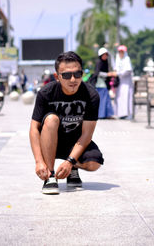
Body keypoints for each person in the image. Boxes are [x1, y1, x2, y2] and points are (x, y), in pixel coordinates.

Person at [29, 51, 104, 195]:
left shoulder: (91, 95)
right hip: (51, 142)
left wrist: (70, 161)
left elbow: (87, 134)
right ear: (57, 77)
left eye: (77, 74)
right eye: (67, 75)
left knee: (94, 163)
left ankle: (72, 168)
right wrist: (39, 161)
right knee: (51, 119)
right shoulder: (46, 93)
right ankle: (51, 176)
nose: (73, 79)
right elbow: (34, 129)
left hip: (76, 142)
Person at [92, 47, 114, 119]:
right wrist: (107, 74)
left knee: (106, 99)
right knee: (102, 99)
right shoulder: (99, 62)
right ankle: (101, 115)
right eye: (104, 55)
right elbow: (97, 73)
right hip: (100, 84)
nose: (105, 56)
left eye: (106, 55)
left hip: (104, 83)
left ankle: (107, 114)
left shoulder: (106, 62)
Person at [114, 45, 133, 119]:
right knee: (119, 98)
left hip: (126, 83)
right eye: (119, 52)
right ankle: (120, 114)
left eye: (122, 52)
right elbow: (116, 68)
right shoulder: (117, 58)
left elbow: (128, 70)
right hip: (119, 82)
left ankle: (128, 114)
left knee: (127, 97)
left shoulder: (127, 59)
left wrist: (119, 73)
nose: (120, 54)